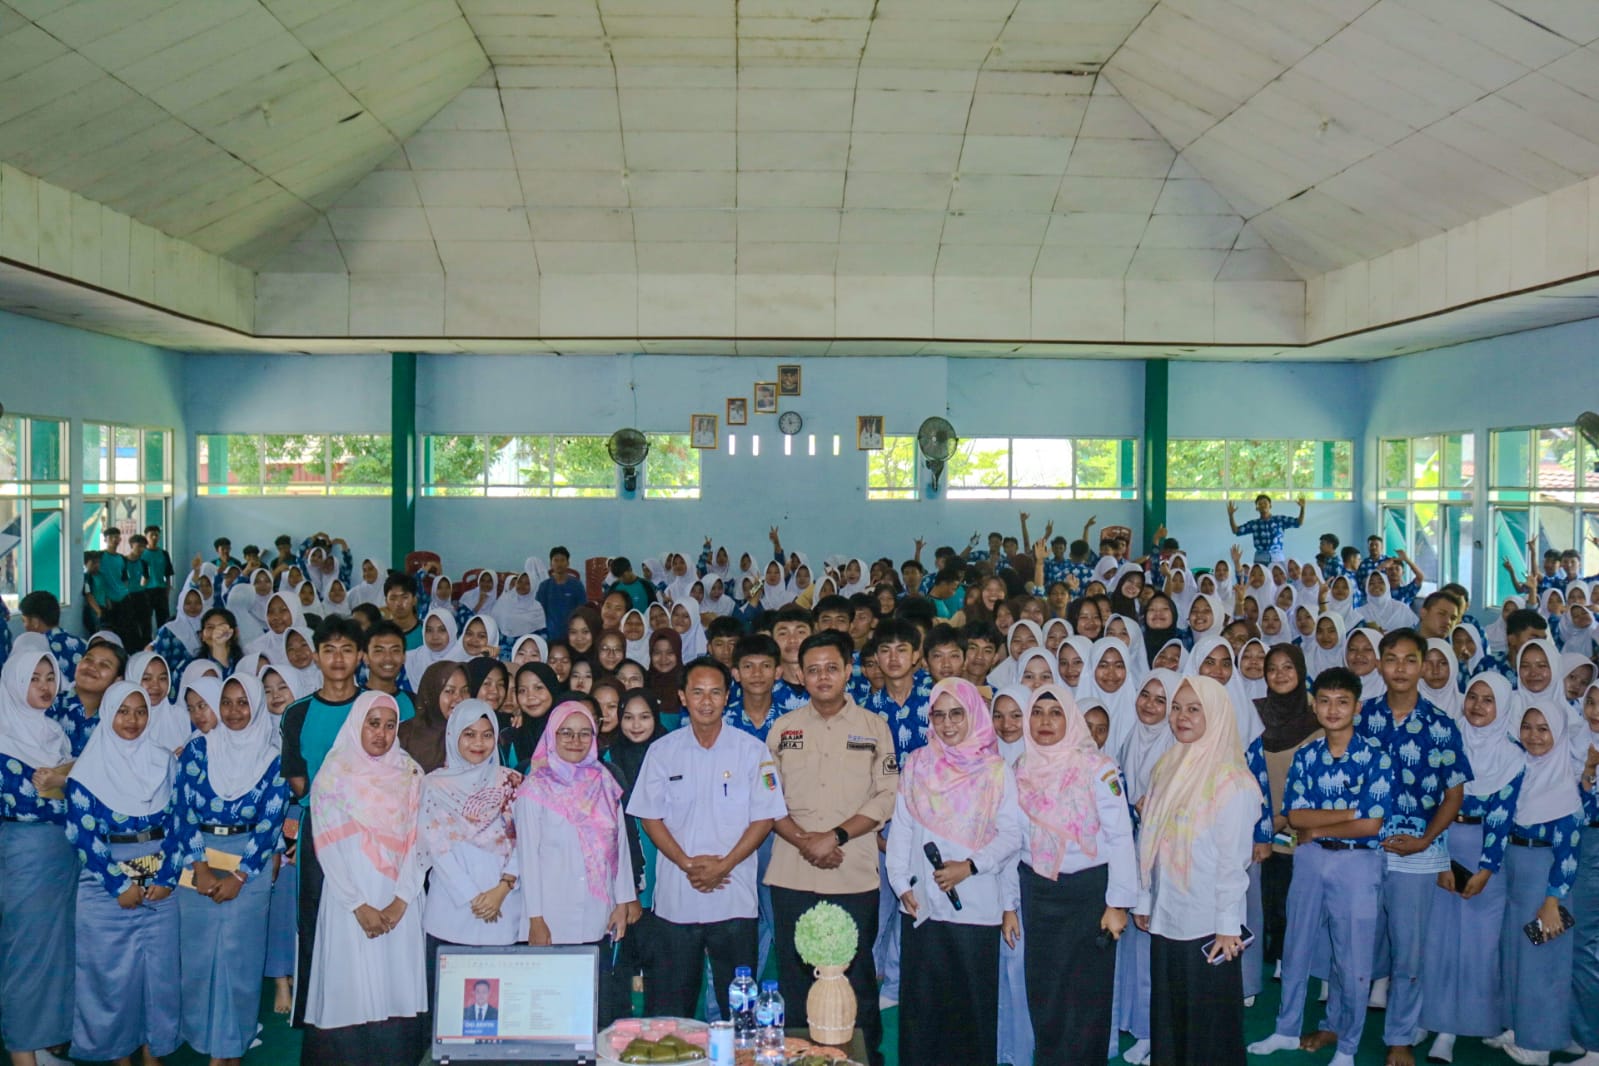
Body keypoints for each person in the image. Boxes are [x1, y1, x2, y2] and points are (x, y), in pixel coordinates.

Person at [625, 656, 786, 1019]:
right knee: (670, 1007)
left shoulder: (752, 751)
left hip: (734, 895)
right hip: (677, 899)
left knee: (738, 1009)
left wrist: (724, 865)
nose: (706, 701)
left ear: (728, 696)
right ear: (682, 696)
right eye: (697, 692)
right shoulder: (662, 751)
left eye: (715, 692)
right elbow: (649, 816)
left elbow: (764, 817)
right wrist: (686, 863)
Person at [764, 631, 897, 1066]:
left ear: (847, 671)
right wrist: (806, 841)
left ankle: (862, 1056)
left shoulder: (874, 728)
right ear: (799, 675)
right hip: (792, 871)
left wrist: (834, 837)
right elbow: (765, 796)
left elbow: (886, 796)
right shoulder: (782, 730)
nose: (823, 676)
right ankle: (800, 1057)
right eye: (813, 669)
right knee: (796, 973)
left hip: (852, 870)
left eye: (832, 668)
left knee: (856, 972)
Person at [1250, 667, 1393, 1066]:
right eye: (1325, 701)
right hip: (1310, 858)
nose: (1333, 709)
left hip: (1358, 861)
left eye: (1342, 701)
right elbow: (1295, 817)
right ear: (1315, 706)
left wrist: (1322, 820)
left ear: (1357, 707)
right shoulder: (1307, 755)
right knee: (1296, 944)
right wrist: (1346, 813)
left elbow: (1371, 824)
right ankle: (1285, 1028)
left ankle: (1347, 1045)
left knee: (1353, 958)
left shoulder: (1374, 757)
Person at [886, 677, 1022, 1066]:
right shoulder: (917, 763)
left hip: (976, 904)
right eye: (939, 715)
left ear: (973, 714)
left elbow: (1012, 835)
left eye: (956, 714)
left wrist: (970, 866)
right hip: (922, 904)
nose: (947, 724)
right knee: (922, 1012)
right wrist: (899, 883)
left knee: (971, 1011)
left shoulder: (996, 770)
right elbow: (903, 827)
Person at [1133, 675, 1262, 1066]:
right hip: (1168, 914)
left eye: (1194, 709)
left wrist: (1227, 926)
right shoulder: (1168, 766)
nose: (1180, 717)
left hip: (1209, 925)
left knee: (1209, 1027)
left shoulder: (1234, 782)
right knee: (1170, 1019)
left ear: (1218, 715)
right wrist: (1144, 898)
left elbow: (1233, 863)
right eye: (1176, 708)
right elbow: (1149, 842)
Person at [1358, 629, 1471, 1065]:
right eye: (1391, 659)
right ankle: (1339, 1024)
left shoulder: (1441, 726)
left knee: (1410, 952)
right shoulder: (1363, 717)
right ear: (1380, 664)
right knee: (1356, 944)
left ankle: (1400, 1038)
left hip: (1418, 856)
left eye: (1410, 659)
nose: (1400, 668)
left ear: (1423, 666)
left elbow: (1454, 795)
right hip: (1365, 850)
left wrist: (1425, 840)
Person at [301, 691, 428, 1065]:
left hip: (398, 898)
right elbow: (326, 844)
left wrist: (402, 899)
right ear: (357, 724)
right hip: (349, 898)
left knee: (395, 984)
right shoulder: (334, 774)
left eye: (390, 725)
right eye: (373, 724)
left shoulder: (409, 773)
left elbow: (418, 841)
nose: (382, 734)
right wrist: (357, 904)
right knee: (350, 984)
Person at [1014, 683, 1136, 1066]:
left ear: (1071, 719)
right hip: (1038, 891)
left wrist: (1117, 904)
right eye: (1037, 712)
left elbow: (1121, 838)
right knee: (1045, 991)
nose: (1045, 722)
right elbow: (1015, 841)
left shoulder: (1099, 768)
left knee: (1087, 997)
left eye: (1055, 713)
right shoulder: (1021, 768)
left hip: (1089, 894)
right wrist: (1009, 903)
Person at [64, 681, 183, 1065]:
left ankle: (154, 1052)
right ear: (107, 712)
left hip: (160, 887)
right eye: (122, 711)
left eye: (141, 711)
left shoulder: (165, 761)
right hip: (105, 888)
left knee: (159, 976)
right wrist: (119, 885)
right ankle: (118, 1055)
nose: (132, 720)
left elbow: (181, 823)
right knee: (112, 978)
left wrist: (166, 879)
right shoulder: (86, 770)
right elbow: (83, 835)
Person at [176, 673, 290, 1065]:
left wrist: (240, 876)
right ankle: (206, 1039)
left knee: (238, 959)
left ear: (256, 706)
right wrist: (201, 868)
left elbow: (271, 821)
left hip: (249, 864)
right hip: (199, 859)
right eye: (227, 702)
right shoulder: (197, 750)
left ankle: (229, 1048)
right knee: (198, 956)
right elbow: (182, 810)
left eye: (244, 702)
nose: (235, 711)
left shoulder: (273, 758)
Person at [1420, 673, 1525, 1065]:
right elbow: (1432, 802)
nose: (1478, 706)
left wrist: (1485, 870)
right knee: (1438, 941)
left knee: (1478, 947)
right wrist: (1440, 859)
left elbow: (1502, 817)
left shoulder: (1512, 757)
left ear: (1502, 708)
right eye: (1473, 697)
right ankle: (1434, 1022)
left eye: (1488, 700)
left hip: (1487, 856)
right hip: (1442, 846)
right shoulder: (1448, 743)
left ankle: (1464, 1023)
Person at [514, 700, 636, 1026]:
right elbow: (527, 859)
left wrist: (622, 902)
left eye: (584, 733)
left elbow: (619, 847)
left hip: (599, 910)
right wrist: (534, 919)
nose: (575, 740)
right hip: (552, 916)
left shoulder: (604, 782)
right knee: (554, 1013)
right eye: (566, 732)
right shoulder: (534, 789)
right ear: (552, 736)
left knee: (596, 1007)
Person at [278, 616, 367, 1027]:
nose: (337, 658)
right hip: (317, 826)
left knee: (361, 911)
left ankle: (363, 1003)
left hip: (369, 828)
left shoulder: (372, 707)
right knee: (313, 917)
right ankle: (315, 1012)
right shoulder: (297, 713)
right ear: (315, 656)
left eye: (347, 649)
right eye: (329, 649)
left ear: (360, 656)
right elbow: (298, 780)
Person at [1489, 703, 1584, 1065]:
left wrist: (1552, 900)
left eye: (1544, 729)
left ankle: (1542, 1042)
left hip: (1546, 880)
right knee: (1516, 952)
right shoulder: (1520, 772)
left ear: (1558, 734)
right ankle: (1517, 1026)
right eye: (1527, 727)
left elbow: (1569, 851)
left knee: (1544, 959)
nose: (1534, 735)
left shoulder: (1564, 781)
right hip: (1515, 871)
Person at [0, 644, 76, 1066]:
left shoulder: (51, 731)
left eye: (49, 678)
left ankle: (45, 1042)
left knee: (56, 949)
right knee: (25, 952)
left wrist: (64, 783)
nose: (45, 687)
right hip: (26, 851)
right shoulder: (4, 734)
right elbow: (25, 801)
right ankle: (21, 1052)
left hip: (61, 851)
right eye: (34, 679)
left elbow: (62, 789)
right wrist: (70, 783)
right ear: (14, 683)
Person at [419, 700, 524, 998]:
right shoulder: (434, 784)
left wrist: (501, 890)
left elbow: (526, 841)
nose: (479, 743)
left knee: (501, 999)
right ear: (453, 736)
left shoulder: (512, 781)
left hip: (504, 904)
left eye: (487, 734)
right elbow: (437, 848)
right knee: (451, 1001)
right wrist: (474, 897)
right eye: (469, 734)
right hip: (452, 907)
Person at [1227, 494, 1306, 565]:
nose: (1263, 505)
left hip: (1278, 558)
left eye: (1265, 503)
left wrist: (1302, 508)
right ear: (1257, 508)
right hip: (1260, 559)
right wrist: (1231, 516)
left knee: (1279, 580)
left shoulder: (1280, 520)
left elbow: (1298, 523)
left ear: (1270, 506)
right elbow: (1236, 531)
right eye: (1260, 504)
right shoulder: (1254, 524)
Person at [536, 547, 589, 641]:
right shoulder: (544, 586)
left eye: (562, 560)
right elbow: (539, 612)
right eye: (556, 560)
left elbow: (583, 610)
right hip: (549, 635)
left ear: (568, 563)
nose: (559, 564)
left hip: (572, 634)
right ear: (551, 564)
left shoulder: (576, 585)